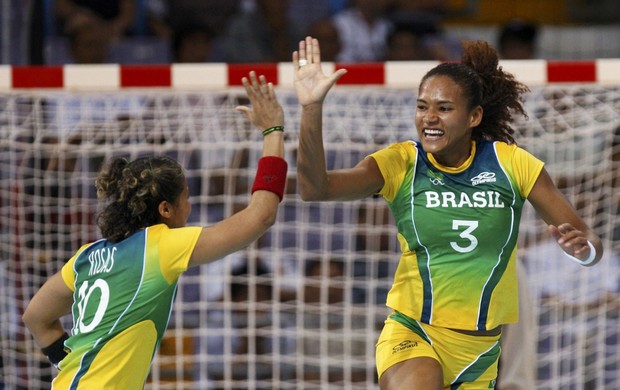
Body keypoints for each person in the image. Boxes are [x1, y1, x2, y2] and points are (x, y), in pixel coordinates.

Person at [292, 36, 603, 389]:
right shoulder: (402, 162)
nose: (429, 118)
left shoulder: (513, 164)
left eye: (443, 108)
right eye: (422, 107)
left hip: (480, 352)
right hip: (414, 331)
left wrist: (584, 249)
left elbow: (589, 242)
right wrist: (311, 109)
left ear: (474, 116)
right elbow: (314, 188)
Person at [21, 71, 288, 389]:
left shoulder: (88, 255)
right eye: (186, 198)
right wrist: (273, 131)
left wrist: (74, 365)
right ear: (165, 210)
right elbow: (260, 217)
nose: (190, 208)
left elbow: (36, 317)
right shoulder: (161, 246)